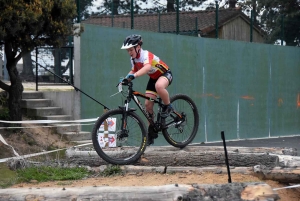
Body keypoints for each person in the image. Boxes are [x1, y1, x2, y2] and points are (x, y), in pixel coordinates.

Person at [121, 34, 173, 145]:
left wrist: (134, 76)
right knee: (148, 105)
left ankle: (168, 106)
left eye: (131, 49)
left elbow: (147, 68)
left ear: (138, 47)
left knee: (159, 86)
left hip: (165, 74)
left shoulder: (146, 54)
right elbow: (133, 70)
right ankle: (151, 132)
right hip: (153, 78)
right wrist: (125, 79)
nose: (129, 52)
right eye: (128, 51)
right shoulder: (133, 59)